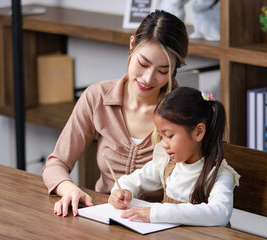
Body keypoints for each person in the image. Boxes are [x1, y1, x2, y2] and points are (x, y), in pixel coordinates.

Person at [42, 10, 189, 217]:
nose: (148, 78)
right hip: (104, 217)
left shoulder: (185, 113)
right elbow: (56, 163)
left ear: (174, 69)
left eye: (163, 71)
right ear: (131, 46)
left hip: (161, 223)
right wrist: (69, 189)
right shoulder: (98, 97)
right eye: (143, 64)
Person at [109, 87, 240, 227]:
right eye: (161, 135)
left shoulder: (218, 174)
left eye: (170, 136)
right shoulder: (167, 164)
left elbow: (220, 214)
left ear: (198, 132)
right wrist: (122, 191)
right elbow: (132, 180)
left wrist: (157, 212)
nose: (164, 144)